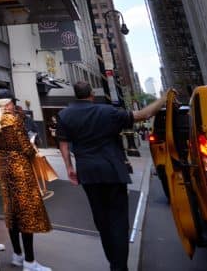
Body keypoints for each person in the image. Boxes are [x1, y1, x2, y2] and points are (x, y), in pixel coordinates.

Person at [57, 81, 167, 271]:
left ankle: (114, 262)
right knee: (118, 221)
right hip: (112, 170)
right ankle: (119, 266)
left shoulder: (64, 115)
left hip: (88, 172)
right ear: (91, 94)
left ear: (76, 95)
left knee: (101, 220)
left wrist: (69, 167)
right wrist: (163, 99)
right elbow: (144, 114)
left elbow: (64, 144)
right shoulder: (107, 111)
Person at [0, 88, 53, 271]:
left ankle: (17, 255)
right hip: (21, 169)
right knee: (26, 214)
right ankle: (30, 262)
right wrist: (32, 146)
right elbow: (27, 148)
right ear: (9, 103)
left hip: (4, 169)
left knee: (12, 212)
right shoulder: (14, 121)